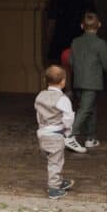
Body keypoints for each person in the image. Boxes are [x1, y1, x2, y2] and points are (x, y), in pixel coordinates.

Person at [64, 12, 107, 153]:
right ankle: (70, 135)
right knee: (85, 109)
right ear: (99, 25)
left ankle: (90, 138)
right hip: (92, 81)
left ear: (82, 26)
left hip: (78, 79)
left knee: (90, 108)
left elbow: (71, 61)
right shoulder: (100, 43)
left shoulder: (75, 41)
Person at [34, 65, 76, 200]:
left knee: (52, 160)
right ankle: (53, 189)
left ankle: (58, 181)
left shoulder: (40, 96)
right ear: (63, 82)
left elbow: (38, 114)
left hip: (42, 134)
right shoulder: (63, 99)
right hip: (55, 134)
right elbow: (68, 117)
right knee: (55, 162)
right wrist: (68, 130)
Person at [46, 0, 96, 64]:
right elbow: (53, 15)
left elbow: (90, 13)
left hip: (79, 33)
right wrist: (49, 33)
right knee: (64, 64)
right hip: (62, 34)